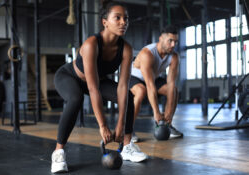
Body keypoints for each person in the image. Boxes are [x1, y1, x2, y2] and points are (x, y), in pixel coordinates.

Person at [51, 2, 147, 173]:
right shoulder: (91, 44)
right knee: (75, 99)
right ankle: (58, 152)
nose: (123, 22)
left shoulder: (126, 49)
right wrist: (103, 126)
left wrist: (120, 125)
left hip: (98, 80)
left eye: (126, 18)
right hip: (69, 76)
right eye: (117, 18)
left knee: (130, 97)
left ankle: (126, 146)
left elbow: (123, 87)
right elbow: (93, 88)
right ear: (105, 22)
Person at [129, 25, 183, 142]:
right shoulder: (147, 53)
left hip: (154, 78)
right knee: (141, 91)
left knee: (174, 90)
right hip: (135, 77)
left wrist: (168, 114)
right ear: (161, 39)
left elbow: (171, 84)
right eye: (170, 41)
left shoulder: (174, 57)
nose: (173, 45)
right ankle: (128, 130)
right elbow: (150, 86)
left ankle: (168, 125)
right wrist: (156, 112)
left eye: (175, 42)